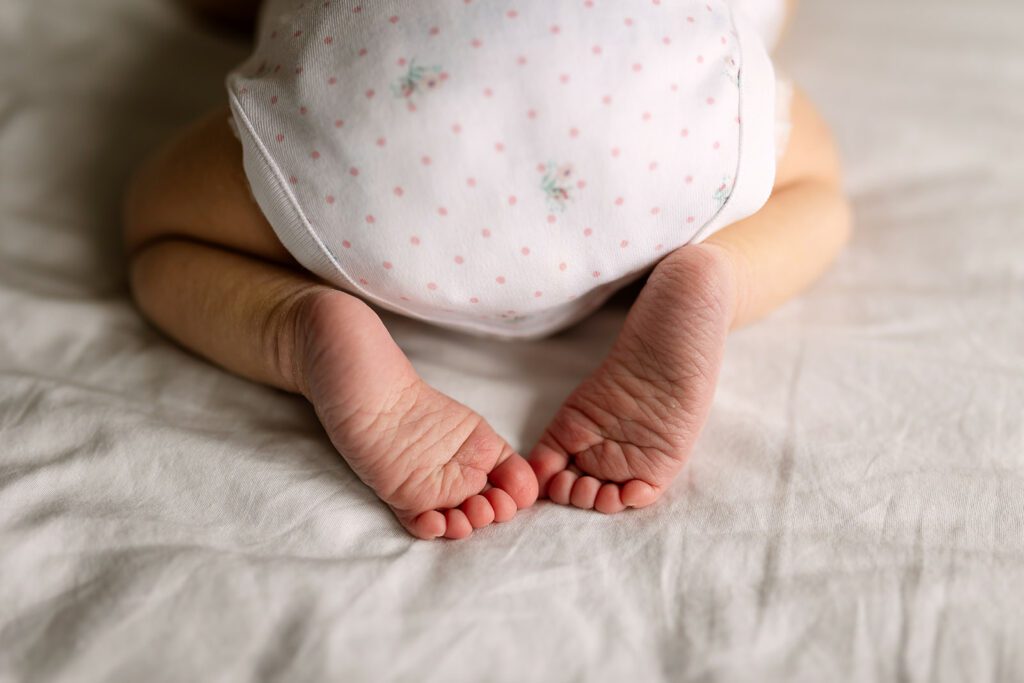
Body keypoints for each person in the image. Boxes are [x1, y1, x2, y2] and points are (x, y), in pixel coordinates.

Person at [124, 0, 851, 540]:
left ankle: (296, 327)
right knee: (816, 195)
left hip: (378, 144)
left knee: (160, 238)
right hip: (647, 132)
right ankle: (711, 275)